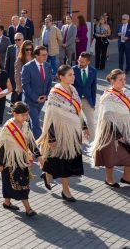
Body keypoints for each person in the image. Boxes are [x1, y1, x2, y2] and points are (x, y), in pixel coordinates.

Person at [37, 65, 89, 201]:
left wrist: (84, 127)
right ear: (61, 77)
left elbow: (79, 110)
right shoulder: (55, 93)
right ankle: (66, 191)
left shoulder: (73, 89)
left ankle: (48, 173)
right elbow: (50, 117)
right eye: (70, 75)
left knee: (63, 160)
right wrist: (52, 138)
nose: (73, 77)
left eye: (73, 74)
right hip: (60, 133)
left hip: (74, 131)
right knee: (64, 162)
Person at [0, 102, 43, 216]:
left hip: (21, 160)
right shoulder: (8, 127)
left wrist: (38, 155)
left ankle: (7, 202)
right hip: (9, 161)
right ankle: (28, 209)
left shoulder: (25, 126)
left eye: (26, 115)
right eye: (23, 115)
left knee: (12, 183)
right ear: (14, 114)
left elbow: (31, 142)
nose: (25, 117)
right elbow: (1, 146)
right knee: (19, 184)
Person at [92, 69, 130, 187]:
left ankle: (126, 177)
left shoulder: (126, 93)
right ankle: (109, 179)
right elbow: (107, 117)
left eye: (124, 79)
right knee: (111, 156)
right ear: (112, 81)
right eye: (120, 79)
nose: (124, 82)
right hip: (112, 130)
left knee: (128, 154)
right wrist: (118, 135)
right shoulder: (108, 96)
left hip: (126, 128)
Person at [21, 46, 52, 139]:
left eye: (46, 55)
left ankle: (28, 141)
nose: (46, 57)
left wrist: (45, 96)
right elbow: (25, 85)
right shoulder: (27, 67)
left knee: (32, 123)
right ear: (36, 55)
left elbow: (49, 82)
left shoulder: (47, 66)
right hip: (30, 101)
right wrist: (35, 98)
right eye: (43, 55)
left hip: (42, 101)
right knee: (36, 123)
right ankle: (39, 147)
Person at [73, 52, 97, 141]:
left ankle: (92, 143)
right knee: (76, 121)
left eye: (82, 62)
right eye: (79, 60)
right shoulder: (73, 70)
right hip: (76, 100)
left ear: (88, 62)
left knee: (91, 122)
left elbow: (94, 87)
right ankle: (77, 141)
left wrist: (93, 102)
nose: (80, 63)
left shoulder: (93, 71)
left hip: (88, 100)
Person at [5, 33, 24, 104]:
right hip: (12, 73)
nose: (17, 41)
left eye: (19, 39)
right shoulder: (10, 48)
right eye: (15, 40)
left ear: (22, 40)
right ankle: (13, 106)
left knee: (21, 90)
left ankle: (20, 105)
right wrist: (6, 75)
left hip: (23, 73)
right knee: (14, 89)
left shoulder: (26, 49)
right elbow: (7, 62)